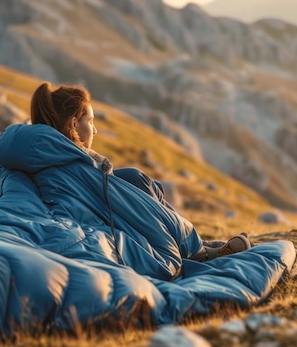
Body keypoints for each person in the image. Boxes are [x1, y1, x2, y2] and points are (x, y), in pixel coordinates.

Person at [29, 81, 251, 261]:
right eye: (90, 121)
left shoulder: (46, 152)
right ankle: (196, 252)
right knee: (136, 179)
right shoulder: (64, 161)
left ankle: (194, 242)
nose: (95, 130)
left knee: (136, 179)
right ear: (75, 124)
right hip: (85, 226)